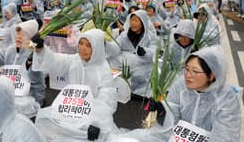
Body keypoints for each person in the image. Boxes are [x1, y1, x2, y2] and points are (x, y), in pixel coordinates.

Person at [106, 45, 241, 142]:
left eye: (195, 71)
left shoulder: (226, 100)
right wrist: (163, 113)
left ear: (212, 76)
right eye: (187, 69)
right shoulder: (181, 86)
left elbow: (225, 137)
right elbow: (172, 116)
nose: (188, 75)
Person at [31, 29, 118, 141]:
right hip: (70, 109)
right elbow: (54, 60)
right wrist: (40, 49)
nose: (83, 48)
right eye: (81, 43)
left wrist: (96, 122)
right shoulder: (74, 60)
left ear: (97, 48)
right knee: (45, 123)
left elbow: (106, 99)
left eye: (88, 45)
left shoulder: (103, 69)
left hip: (91, 115)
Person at [107, 10, 157, 97]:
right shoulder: (124, 35)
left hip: (141, 64)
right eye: (132, 20)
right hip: (125, 63)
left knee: (143, 73)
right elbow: (116, 45)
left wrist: (145, 52)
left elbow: (154, 50)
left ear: (143, 23)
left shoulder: (150, 36)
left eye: (136, 21)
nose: (133, 23)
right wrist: (108, 46)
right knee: (112, 60)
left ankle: (138, 90)